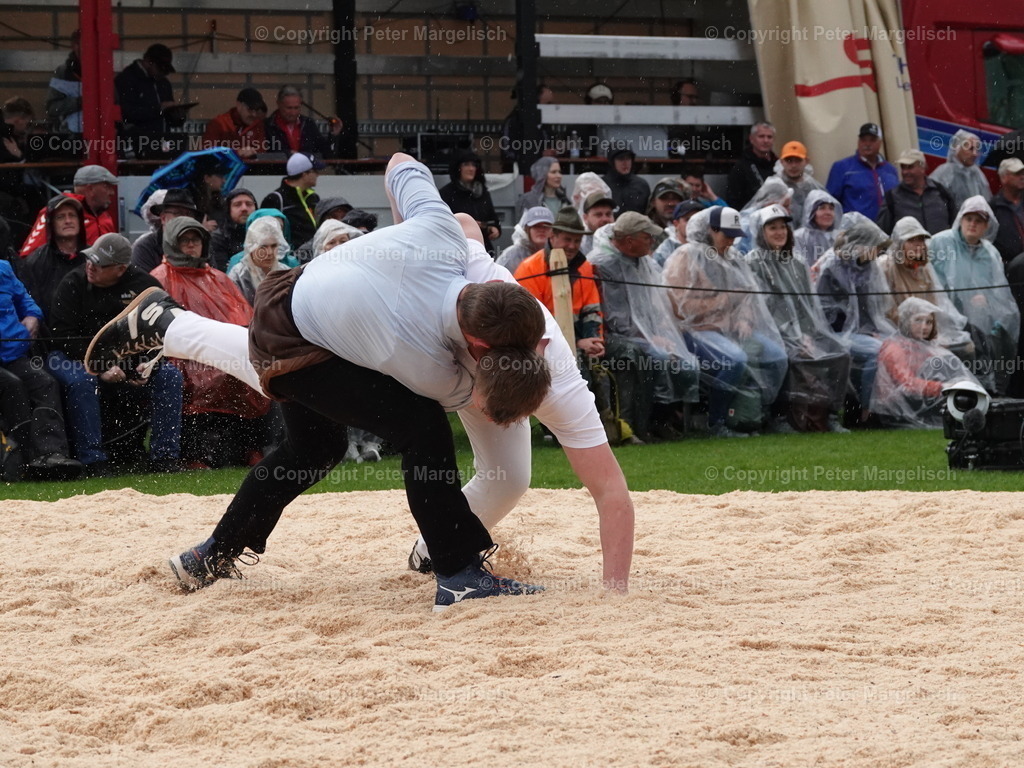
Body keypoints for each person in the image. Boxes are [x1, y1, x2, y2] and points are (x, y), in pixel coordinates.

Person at [86, 154, 635, 607]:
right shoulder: (418, 355)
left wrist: (412, 228)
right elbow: (448, 398)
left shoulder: (448, 241)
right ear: (480, 350)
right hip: (300, 332)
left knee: (315, 444)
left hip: (310, 286)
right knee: (421, 430)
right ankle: (457, 572)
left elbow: (406, 167)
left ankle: (210, 553)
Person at [48, 234, 182, 475]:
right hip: (73, 354)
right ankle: (92, 460)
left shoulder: (146, 287)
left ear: (121, 269)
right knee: (81, 381)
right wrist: (100, 364)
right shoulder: (72, 283)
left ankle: (164, 457)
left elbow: (162, 332)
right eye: (90, 260)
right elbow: (61, 335)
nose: (91, 266)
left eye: (99, 264)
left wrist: (146, 363)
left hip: (127, 357)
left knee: (170, 377)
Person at [151, 217, 270, 467]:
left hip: (219, 351)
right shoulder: (159, 278)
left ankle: (249, 447)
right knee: (202, 376)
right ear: (172, 243)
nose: (191, 245)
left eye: (196, 240)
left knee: (248, 371)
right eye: (185, 240)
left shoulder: (218, 278)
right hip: (183, 355)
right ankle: (194, 453)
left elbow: (242, 316)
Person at [664, 206, 788, 437]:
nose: (731, 241)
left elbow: (748, 296)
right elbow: (680, 307)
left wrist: (744, 319)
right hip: (696, 330)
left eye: (734, 235)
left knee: (777, 356)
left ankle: (757, 416)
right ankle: (715, 421)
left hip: (732, 327)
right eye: (726, 235)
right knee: (734, 360)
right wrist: (723, 300)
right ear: (711, 230)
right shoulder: (685, 256)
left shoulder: (733, 258)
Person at [589, 212, 700, 442]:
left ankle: (675, 419)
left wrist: (663, 331)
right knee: (659, 356)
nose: (652, 241)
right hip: (616, 336)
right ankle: (653, 422)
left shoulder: (644, 262)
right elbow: (614, 317)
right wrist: (650, 337)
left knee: (686, 362)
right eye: (647, 237)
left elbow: (656, 306)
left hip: (648, 334)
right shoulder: (605, 265)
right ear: (630, 241)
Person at [745, 205, 851, 433]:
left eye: (783, 227)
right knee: (787, 356)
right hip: (771, 331)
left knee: (840, 353)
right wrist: (793, 336)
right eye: (772, 227)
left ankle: (831, 414)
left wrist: (808, 334)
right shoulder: (752, 262)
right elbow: (764, 308)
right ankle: (780, 416)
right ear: (760, 232)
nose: (779, 232)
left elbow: (807, 306)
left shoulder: (797, 263)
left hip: (802, 332)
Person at [0, 259, 82, 480]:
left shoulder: (4, 268)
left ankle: (50, 455)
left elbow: (25, 298)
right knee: (12, 386)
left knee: (45, 383)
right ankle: (21, 458)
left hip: (12, 354)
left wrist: (32, 315)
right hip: (7, 363)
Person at [929, 196, 1020, 395]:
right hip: (943, 317)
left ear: (986, 226)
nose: (972, 224)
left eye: (978, 221)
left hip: (982, 320)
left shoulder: (990, 253)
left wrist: (987, 300)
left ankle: (991, 390)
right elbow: (929, 281)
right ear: (960, 219)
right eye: (968, 219)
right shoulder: (940, 243)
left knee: (1002, 334)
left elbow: (1000, 293)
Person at [815, 219, 897, 420]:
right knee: (877, 352)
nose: (879, 253)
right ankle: (866, 410)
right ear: (861, 245)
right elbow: (826, 313)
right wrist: (864, 331)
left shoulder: (869, 267)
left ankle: (889, 408)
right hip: (836, 333)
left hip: (862, 330)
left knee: (900, 346)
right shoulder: (832, 268)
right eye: (875, 248)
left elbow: (872, 308)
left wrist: (871, 329)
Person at [872, 297, 981, 429]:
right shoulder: (895, 348)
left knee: (948, 361)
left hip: (920, 396)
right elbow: (907, 385)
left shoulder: (920, 345)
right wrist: (942, 387)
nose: (924, 327)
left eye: (928, 322)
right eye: (918, 320)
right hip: (898, 406)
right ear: (906, 321)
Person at [513, 207, 605, 361]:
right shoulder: (529, 268)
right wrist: (577, 344)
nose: (572, 246)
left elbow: (592, 311)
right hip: (541, 347)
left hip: (581, 340)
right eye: (567, 239)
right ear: (552, 236)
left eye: (577, 241)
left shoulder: (585, 267)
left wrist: (595, 341)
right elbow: (531, 323)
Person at [876, 216, 974, 359]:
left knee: (968, 343)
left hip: (924, 331)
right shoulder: (885, 267)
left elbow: (933, 305)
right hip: (897, 334)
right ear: (899, 243)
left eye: (921, 240)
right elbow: (887, 312)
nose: (918, 245)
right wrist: (916, 331)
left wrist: (932, 334)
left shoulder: (924, 269)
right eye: (911, 240)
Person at [18, 165, 119, 257]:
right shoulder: (56, 211)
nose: (112, 192)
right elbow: (28, 256)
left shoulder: (104, 216)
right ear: (90, 189)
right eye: (107, 186)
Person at [18, 194, 87, 323]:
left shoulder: (92, 257)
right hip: (51, 335)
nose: (68, 220)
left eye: (72, 215)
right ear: (51, 223)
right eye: (60, 217)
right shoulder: (36, 261)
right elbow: (30, 304)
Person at [114, 44, 186, 156]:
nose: (163, 73)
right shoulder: (126, 79)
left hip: (162, 144)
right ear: (148, 61)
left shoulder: (163, 83)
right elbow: (126, 114)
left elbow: (169, 119)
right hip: (136, 147)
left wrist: (178, 116)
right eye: (160, 68)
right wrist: (159, 109)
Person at [826, 122, 899, 220]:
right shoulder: (842, 167)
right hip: (856, 231)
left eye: (872, 140)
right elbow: (829, 202)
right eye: (863, 140)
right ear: (858, 142)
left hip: (887, 231)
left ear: (880, 143)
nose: (867, 144)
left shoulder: (890, 170)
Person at [875, 149, 956, 235]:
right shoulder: (892, 198)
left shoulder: (941, 192)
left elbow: (955, 224)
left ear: (922, 167)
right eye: (903, 167)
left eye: (910, 167)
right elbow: (882, 234)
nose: (905, 172)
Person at [439, 151, 501, 255]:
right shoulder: (446, 194)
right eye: (466, 165)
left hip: (483, 250)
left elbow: (493, 219)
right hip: (456, 250)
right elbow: (440, 223)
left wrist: (494, 229)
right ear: (458, 168)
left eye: (474, 165)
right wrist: (465, 225)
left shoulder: (482, 192)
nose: (471, 168)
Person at [260, 153, 323, 250]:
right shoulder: (275, 199)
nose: (318, 175)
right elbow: (265, 232)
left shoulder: (313, 197)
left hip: (315, 255)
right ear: (304, 173)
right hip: (291, 259)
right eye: (315, 171)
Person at [131, 188, 199, 273]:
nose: (184, 219)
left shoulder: (201, 245)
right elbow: (143, 283)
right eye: (178, 213)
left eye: (189, 214)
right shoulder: (145, 247)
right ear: (163, 218)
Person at [263, 86, 341, 159]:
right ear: (279, 104)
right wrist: (288, 154)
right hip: (278, 173)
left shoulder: (308, 124)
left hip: (305, 172)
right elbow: (264, 154)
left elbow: (328, 155)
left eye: (296, 108)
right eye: (289, 108)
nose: (293, 112)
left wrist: (333, 135)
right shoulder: (267, 126)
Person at [228, 217, 291, 306]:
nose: (269, 253)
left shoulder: (286, 272)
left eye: (274, 246)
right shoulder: (238, 275)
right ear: (251, 247)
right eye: (263, 247)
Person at [929, 129, 992, 211]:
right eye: (971, 149)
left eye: (977, 150)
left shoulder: (977, 173)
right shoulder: (944, 172)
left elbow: (987, 203)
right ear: (957, 148)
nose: (975, 154)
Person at [201, 88, 267, 160]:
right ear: (239, 105)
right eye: (250, 109)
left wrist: (253, 153)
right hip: (225, 169)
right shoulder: (219, 124)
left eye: (257, 110)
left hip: (250, 169)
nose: (254, 114)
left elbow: (261, 154)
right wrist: (236, 153)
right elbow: (206, 154)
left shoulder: (257, 124)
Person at [726, 121, 777, 210]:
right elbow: (734, 201)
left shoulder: (779, 165)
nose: (766, 140)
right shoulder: (741, 167)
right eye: (761, 136)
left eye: (769, 137)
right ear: (751, 139)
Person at [772, 140, 825, 225]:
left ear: (806, 161)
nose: (793, 165)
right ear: (781, 162)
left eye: (798, 160)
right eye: (789, 161)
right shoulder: (773, 186)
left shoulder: (815, 188)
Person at [293, 196, 353, 264]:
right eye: (333, 217)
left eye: (344, 217)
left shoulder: (358, 243)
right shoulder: (305, 252)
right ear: (321, 220)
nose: (339, 221)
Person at [793, 189, 844, 271]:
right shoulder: (799, 237)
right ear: (811, 211)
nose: (828, 212)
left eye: (831, 208)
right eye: (822, 208)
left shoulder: (839, 238)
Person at [208, 188, 257, 272]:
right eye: (237, 204)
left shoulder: (263, 236)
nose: (244, 208)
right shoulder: (218, 238)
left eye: (249, 204)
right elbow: (221, 273)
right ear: (228, 210)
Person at [496, 206, 554, 274]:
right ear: (526, 230)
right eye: (536, 226)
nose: (541, 230)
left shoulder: (559, 252)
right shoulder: (512, 254)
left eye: (546, 226)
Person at [45, 30, 82, 134]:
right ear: (73, 46)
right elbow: (52, 109)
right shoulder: (63, 72)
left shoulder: (102, 71)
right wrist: (79, 102)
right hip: (69, 136)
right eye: (78, 44)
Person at [989, 157, 1024, 264]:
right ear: (1004, 178)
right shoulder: (993, 207)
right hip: (1009, 267)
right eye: (1017, 174)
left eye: (1023, 173)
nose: (1022, 177)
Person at [652, 199, 702, 267]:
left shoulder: (707, 246)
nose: (693, 223)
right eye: (687, 219)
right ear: (676, 224)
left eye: (698, 219)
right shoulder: (665, 251)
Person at [602, 148, 650, 215]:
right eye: (620, 159)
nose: (625, 163)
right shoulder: (602, 185)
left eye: (628, 159)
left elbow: (648, 213)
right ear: (612, 162)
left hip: (637, 224)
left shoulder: (641, 185)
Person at [645, 177, 690, 245]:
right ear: (653, 202)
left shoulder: (691, 229)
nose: (670, 203)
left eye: (675, 198)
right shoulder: (645, 229)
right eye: (664, 198)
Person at [579, 190, 615, 256]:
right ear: (585, 218)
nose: (605, 219)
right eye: (598, 215)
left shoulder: (622, 242)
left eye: (608, 214)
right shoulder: (580, 245)